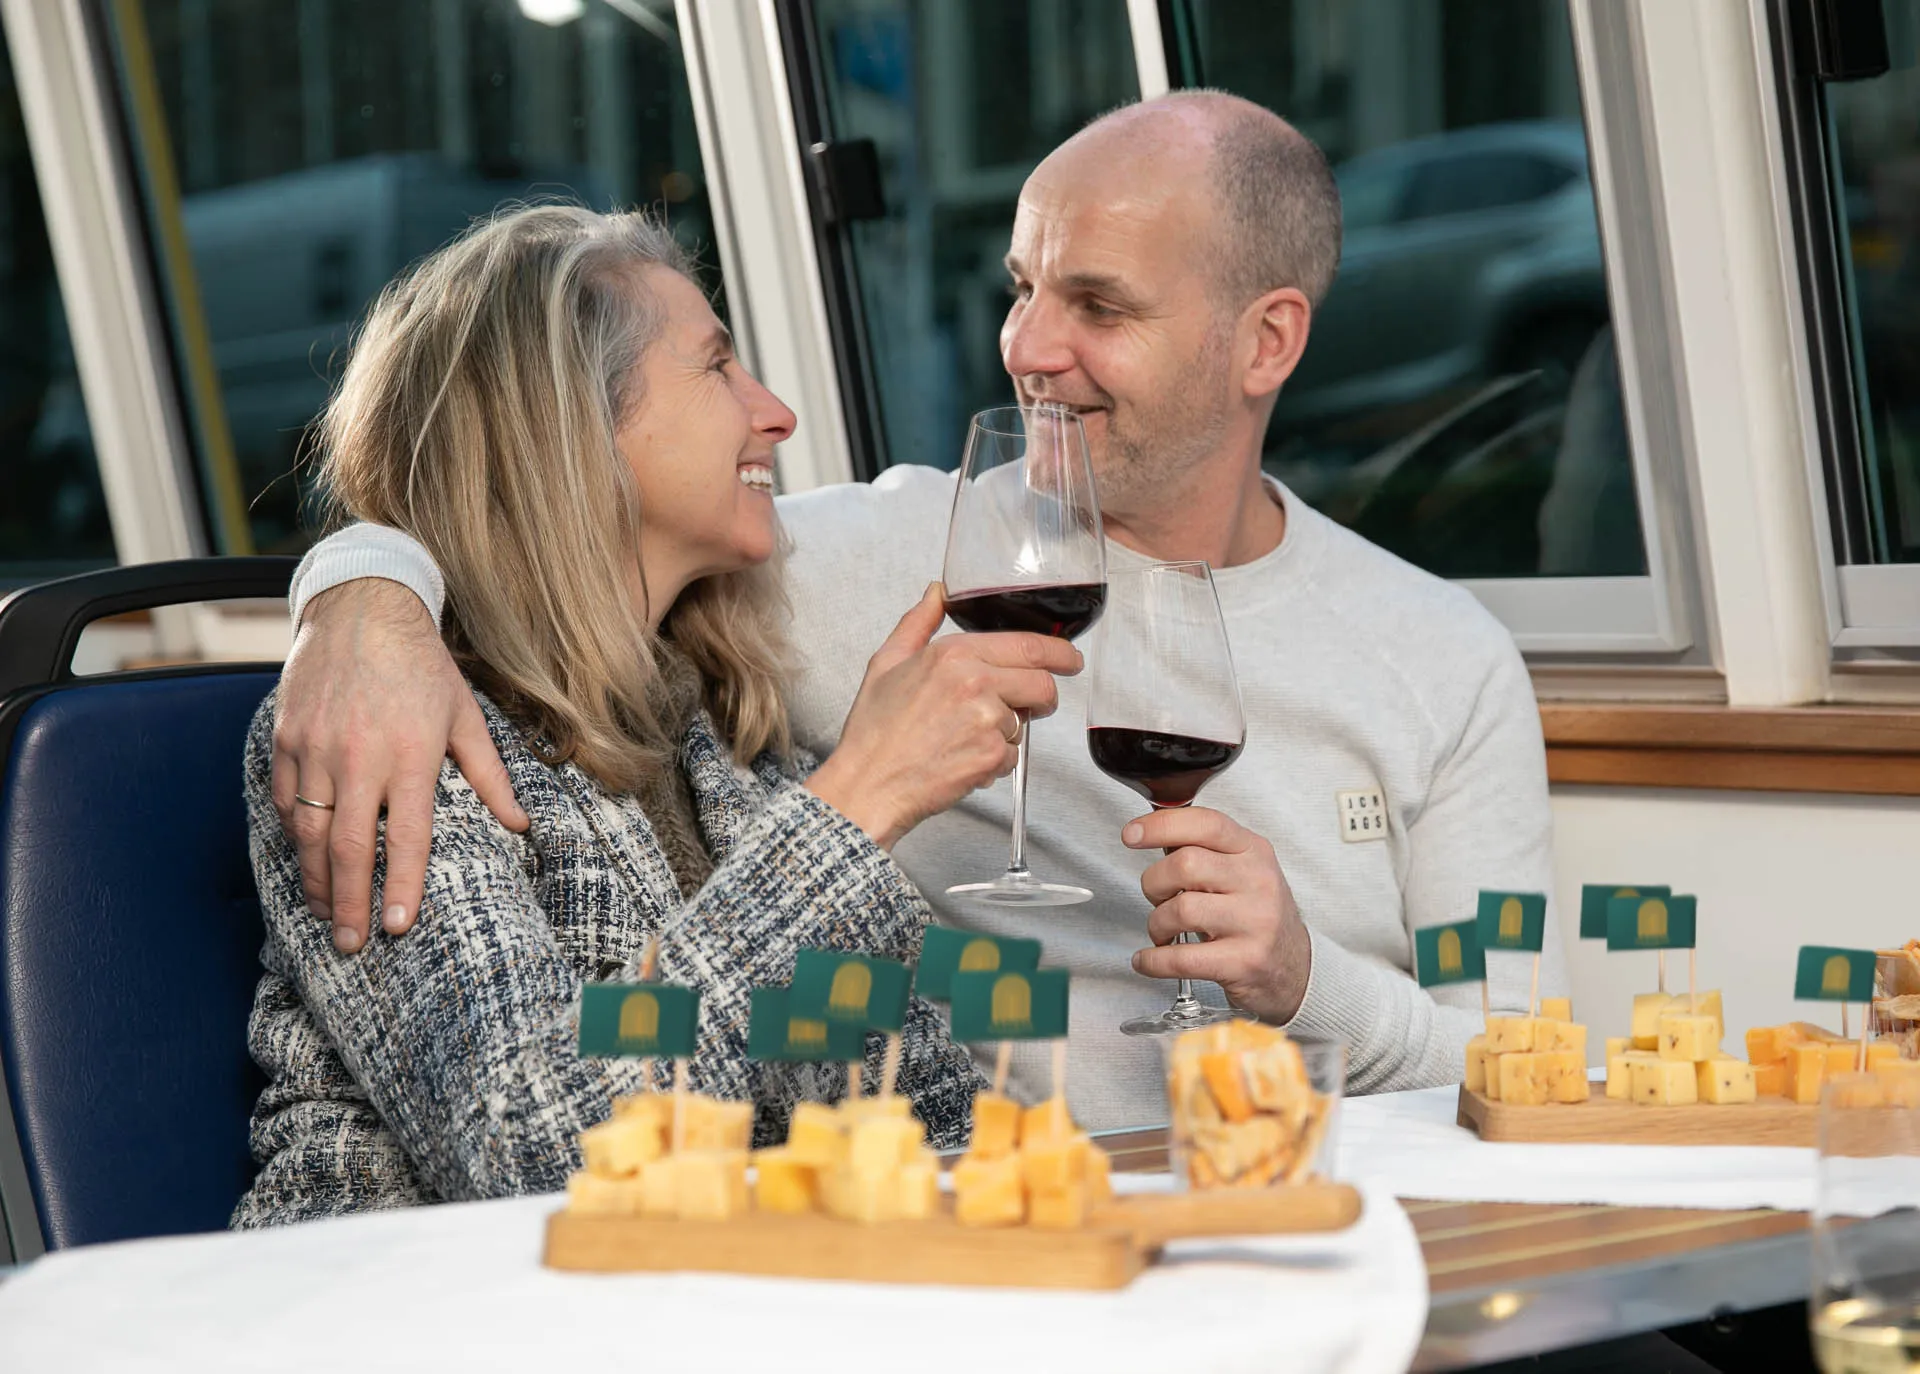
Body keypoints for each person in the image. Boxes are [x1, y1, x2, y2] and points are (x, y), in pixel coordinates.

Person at [274, 92, 1568, 1131]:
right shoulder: (807, 573)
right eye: (1023, 286)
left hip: (1309, 1203)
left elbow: (1528, 1067)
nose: (1027, 346)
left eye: (1100, 305)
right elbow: (512, 516)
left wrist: (1307, 983)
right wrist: (361, 590)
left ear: (1267, 342)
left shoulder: (1443, 659)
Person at [234, 204, 1085, 1226]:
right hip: (426, 1297)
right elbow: (530, 1154)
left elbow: (926, 1109)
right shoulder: (385, 734)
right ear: (567, 425)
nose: (778, 414)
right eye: (717, 366)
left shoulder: (727, 741)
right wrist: (857, 805)